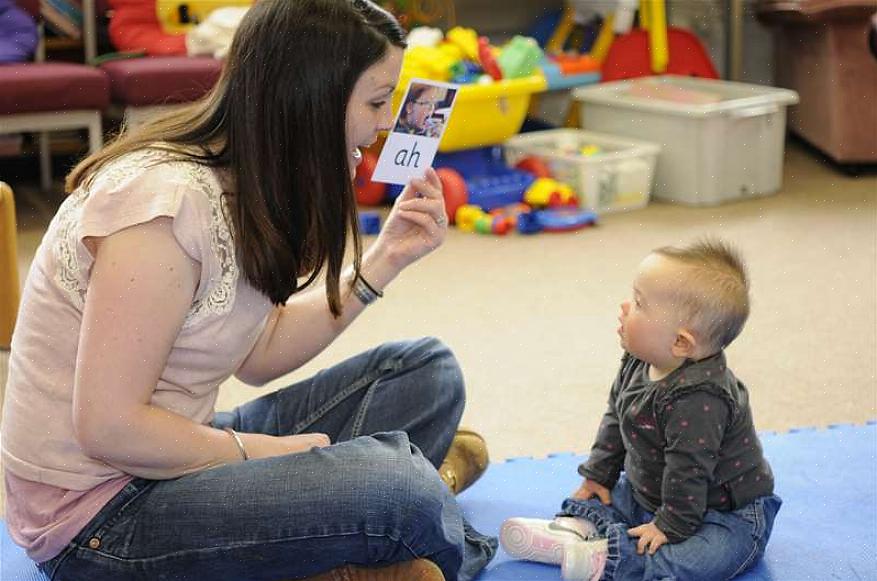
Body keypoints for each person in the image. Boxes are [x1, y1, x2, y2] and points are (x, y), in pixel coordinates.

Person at [0, 1, 497, 580]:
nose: (385, 123)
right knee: (400, 487)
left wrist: (387, 259)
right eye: (374, 101)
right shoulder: (161, 209)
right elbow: (108, 427)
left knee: (426, 371)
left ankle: (386, 522)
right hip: (102, 518)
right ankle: (415, 508)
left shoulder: (253, 180)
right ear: (310, 99)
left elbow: (259, 355)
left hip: (179, 449)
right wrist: (265, 453)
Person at [499, 239, 781, 581]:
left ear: (680, 342)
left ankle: (609, 558)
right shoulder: (639, 360)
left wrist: (670, 525)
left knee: (704, 558)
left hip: (723, 512)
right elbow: (617, 417)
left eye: (639, 303)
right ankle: (577, 532)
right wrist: (599, 475)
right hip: (653, 491)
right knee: (611, 499)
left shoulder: (701, 398)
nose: (624, 306)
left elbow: (689, 469)